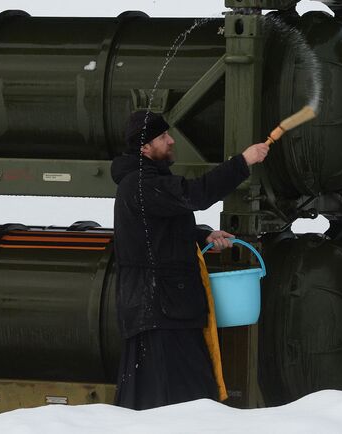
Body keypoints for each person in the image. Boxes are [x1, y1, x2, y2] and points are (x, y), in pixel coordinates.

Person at [111, 110, 269, 410]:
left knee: (163, 399)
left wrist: (202, 236)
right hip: (160, 311)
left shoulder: (146, 183)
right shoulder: (142, 183)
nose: (171, 141)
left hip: (161, 309)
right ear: (144, 148)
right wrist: (243, 162)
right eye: (162, 137)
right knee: (184, 400)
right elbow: (196, 195)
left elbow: (157, 231)